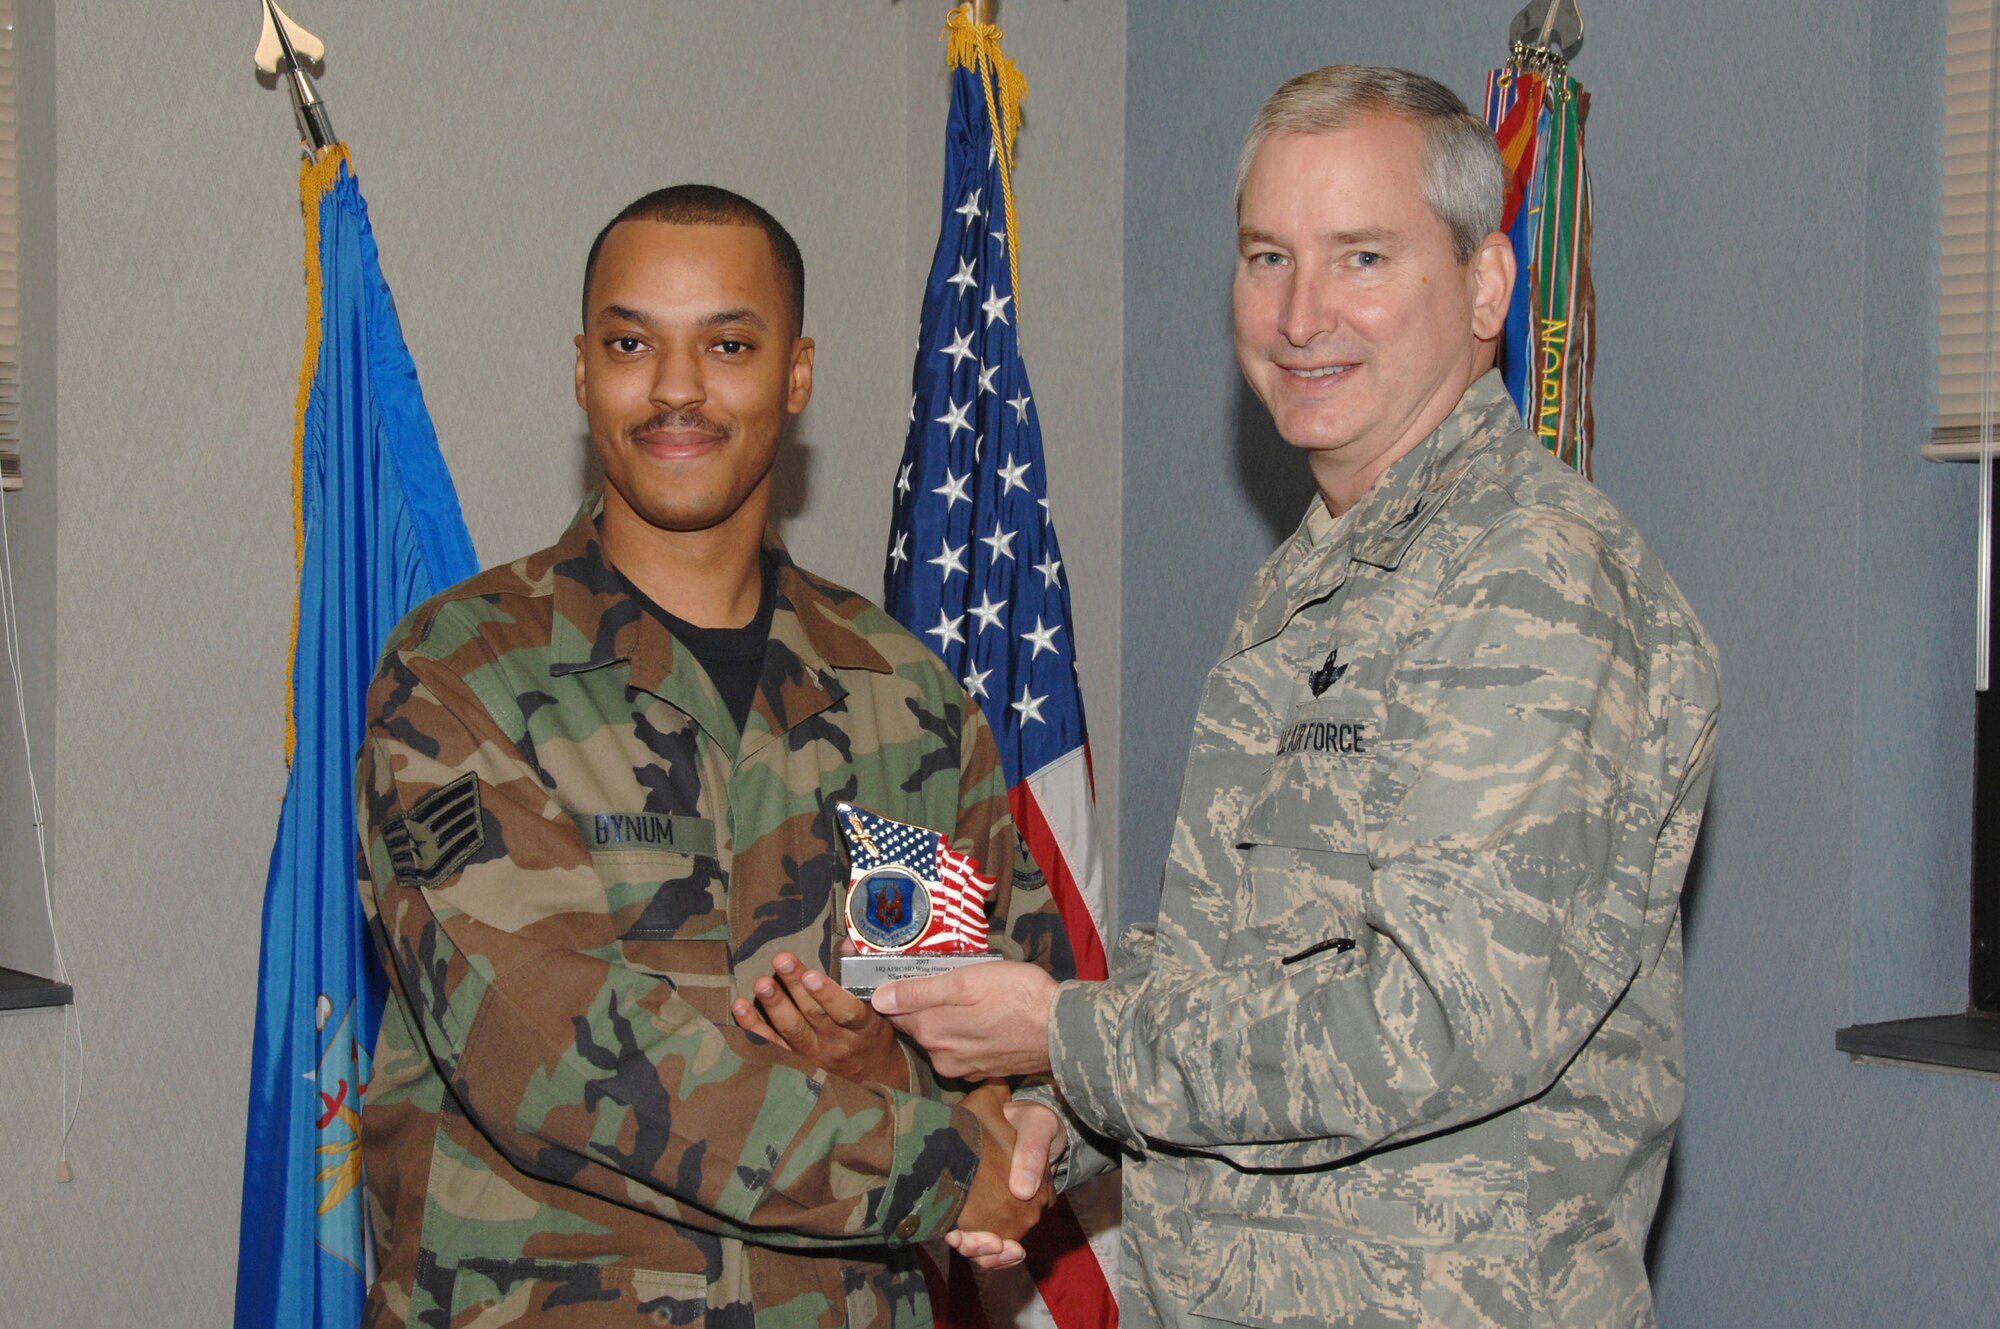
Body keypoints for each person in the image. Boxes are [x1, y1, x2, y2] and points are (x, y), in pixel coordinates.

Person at [873, 65, 1722, 1328]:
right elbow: (1235, 951)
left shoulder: (1532, 582)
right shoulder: (1315, 576)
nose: (1299, 313)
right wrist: (1067, 1119)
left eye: (1362, 259)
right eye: (1266, 257)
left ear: (1485, 287)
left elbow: (1441, 1021)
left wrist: (1067, 1040)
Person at [354, 184, 1068, 1329]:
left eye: (727, 344)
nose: (675, 388)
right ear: (581, 369)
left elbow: (1001, 1022)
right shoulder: (462, 673)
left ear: (796, 375)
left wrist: (945, 1101)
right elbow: (546, 1052)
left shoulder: (904, 702)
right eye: (631, 342)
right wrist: (940, 1165)